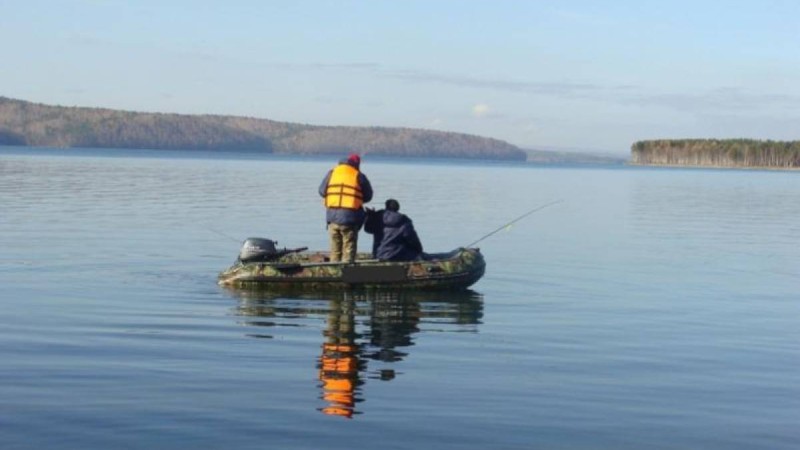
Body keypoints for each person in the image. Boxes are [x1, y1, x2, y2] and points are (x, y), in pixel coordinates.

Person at [319, 153, 373, 262]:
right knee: (349, 249)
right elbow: (368, 196)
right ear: (356, 164)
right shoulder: (358, 175)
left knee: (335, 250)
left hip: (332, 219)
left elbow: (321, 191)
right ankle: (346, 274)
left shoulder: (332, 173)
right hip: (350, 219)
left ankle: (335, 273)